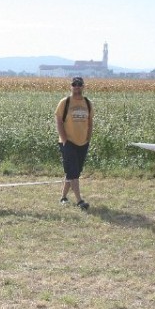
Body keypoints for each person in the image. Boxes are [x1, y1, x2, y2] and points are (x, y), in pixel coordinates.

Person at [54, 76, 93, 210]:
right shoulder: (64, 102)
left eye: (79, 84)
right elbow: (58, 121)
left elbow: (90, 122)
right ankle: (79, 200)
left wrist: (88, 138)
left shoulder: (87, 103)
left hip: (83, 142)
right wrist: (64, 139)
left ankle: (63, 197)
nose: (77, 87)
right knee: (74, 171)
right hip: (68, 142)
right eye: (74, 84)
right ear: (71, 86)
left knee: (74, 172)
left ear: (83, 86)